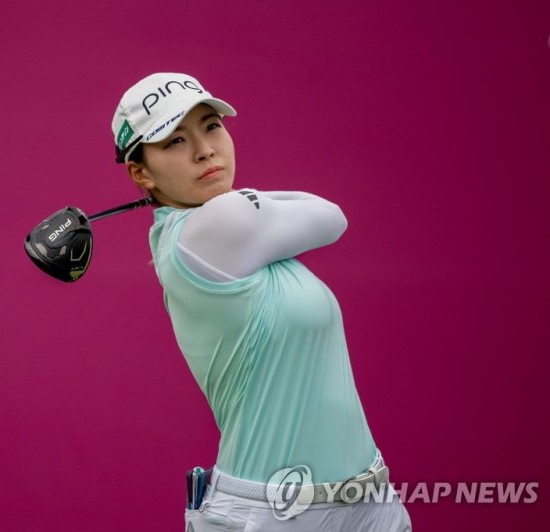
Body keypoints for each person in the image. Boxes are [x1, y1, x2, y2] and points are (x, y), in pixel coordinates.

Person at [111, 73, 413, 531]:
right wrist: (245, 201)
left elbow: (322, 215)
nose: (205, 150)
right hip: (274, 516)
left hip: (370, 499)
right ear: (141, 173)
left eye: (211, 126)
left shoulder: (212, 232)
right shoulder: (212, 229)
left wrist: (247, 204)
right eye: (175, 141)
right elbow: (331, 216)